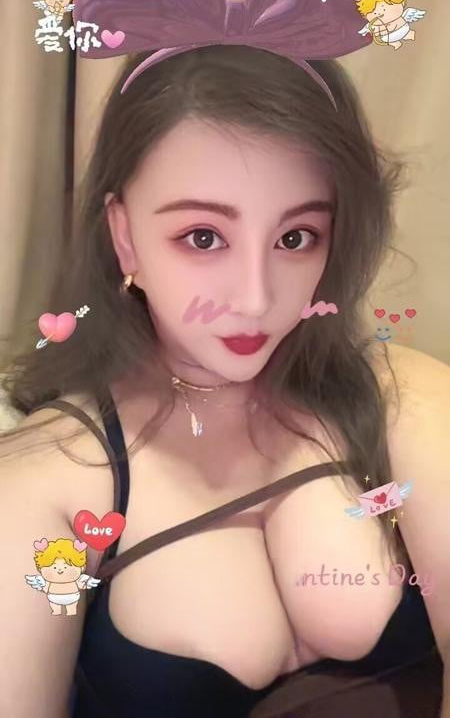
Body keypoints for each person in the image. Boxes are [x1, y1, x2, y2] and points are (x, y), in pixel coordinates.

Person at [0, 41, 449, 718]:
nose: (255, 297)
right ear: (125, 237)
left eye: (296, 237)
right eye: (204, 237)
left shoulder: (401, 395)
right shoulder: (45, 482)